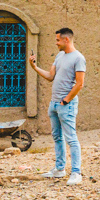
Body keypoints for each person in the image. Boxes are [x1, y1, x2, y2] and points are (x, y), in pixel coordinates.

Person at [29, 27, 86, 184]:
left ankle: (76, 173)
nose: (56, 43)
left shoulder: (78, 58)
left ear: (66, 40)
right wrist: (34, 67)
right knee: (57, 137)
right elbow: (50, 76)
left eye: (57, 40)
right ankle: (59, 170)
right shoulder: (60, 56)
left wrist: (66, 100)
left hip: (66, 104)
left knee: (71, 138)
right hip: (54, 104)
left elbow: (80, 84)